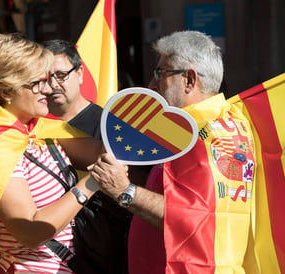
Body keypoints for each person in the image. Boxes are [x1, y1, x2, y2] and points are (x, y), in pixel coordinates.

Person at [89, 30, 257, 273]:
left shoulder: (201, 135)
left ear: (189, 79)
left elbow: (192, 215)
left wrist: (124, 191)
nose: (151, 85)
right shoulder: (225, 120)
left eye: (160, 74)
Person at [0, 33, 103, 274]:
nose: (47, 89)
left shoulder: (38, 129)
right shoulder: (0, 145)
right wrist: (90, 184)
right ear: (6, 91)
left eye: (47, 79)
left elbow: (104, 152)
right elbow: (31, 232)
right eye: (36, 83)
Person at [42, 39, 135, 274]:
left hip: (109, 254)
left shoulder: (114, 129)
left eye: (61, 75)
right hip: (52, 256)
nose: (53, 85)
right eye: (44, 78)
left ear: (80, 72)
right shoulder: (29, 128)